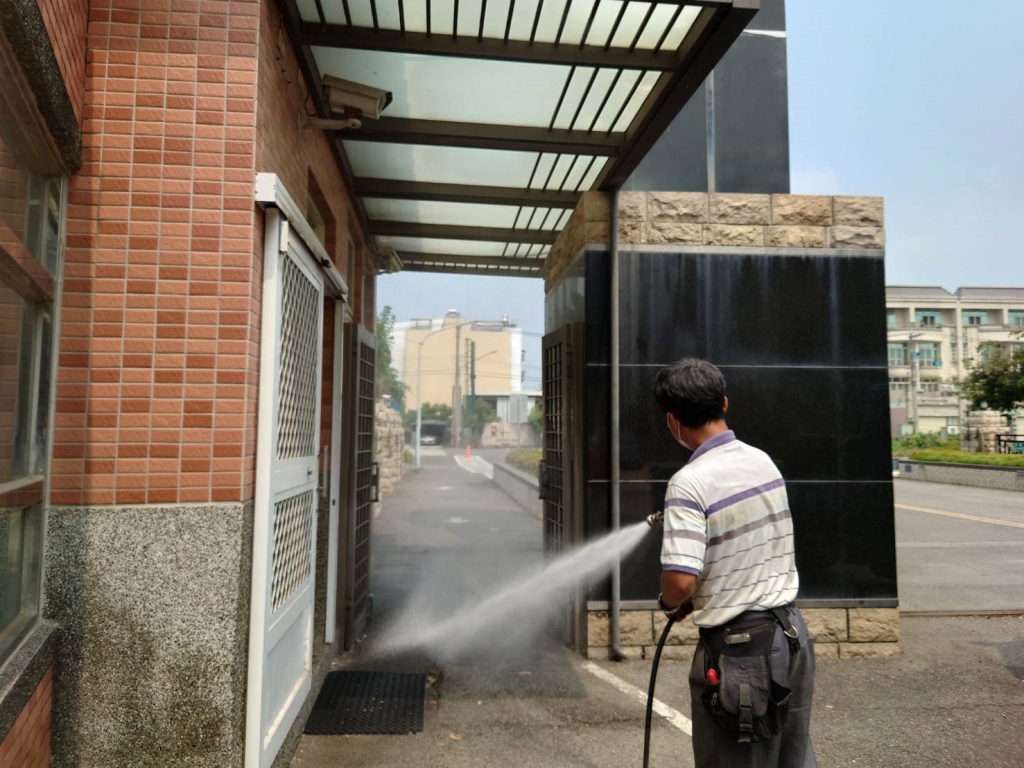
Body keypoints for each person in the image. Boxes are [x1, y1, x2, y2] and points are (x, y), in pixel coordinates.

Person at [653, 358, 817, 768]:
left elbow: (680, 581)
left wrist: (670, 602)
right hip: (791, 637)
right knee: (792, 759)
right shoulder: (762, 461)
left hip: (740, 654)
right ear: (724, 403)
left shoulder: (689, 482)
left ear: (672, 420)